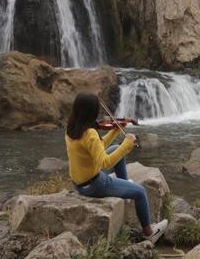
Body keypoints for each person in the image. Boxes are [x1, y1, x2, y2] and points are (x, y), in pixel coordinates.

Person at [65, 92, 167, 242]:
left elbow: (98, 148)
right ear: (91, 112)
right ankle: (149, 233)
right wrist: (127, 144)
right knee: (140, 192)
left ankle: (124, 186)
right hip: (94, 184)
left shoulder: (72, 128)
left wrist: (117, 129)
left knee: (114, 148)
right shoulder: (90, 133)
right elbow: (104, 162)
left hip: (79, 183)